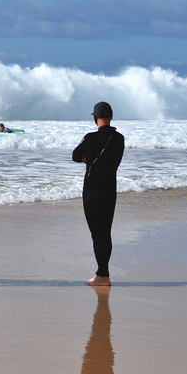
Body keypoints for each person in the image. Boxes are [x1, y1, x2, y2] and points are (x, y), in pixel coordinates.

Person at [72, 102, 125, 286]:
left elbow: (75, 155)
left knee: (97, 234)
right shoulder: (120, 139)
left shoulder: (90, 137)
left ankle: (103, 276)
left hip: (93, 190)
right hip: (110, 190)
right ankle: (103, 275)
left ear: (95, 117)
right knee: (106, 232)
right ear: (111, 117)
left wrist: (87, 157)